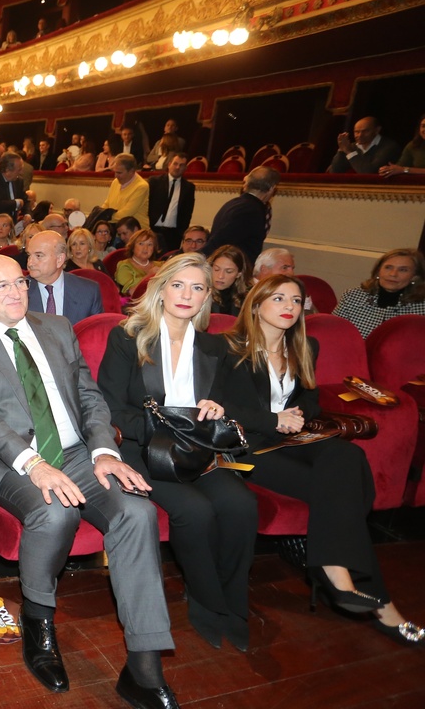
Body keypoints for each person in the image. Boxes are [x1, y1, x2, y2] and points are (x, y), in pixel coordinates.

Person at [0, 255, 176, 707]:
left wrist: (105, 450)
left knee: (137, 513)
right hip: (7, 460)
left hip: (77, 453)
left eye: (19, 282)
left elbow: (90, 395)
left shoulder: (57, 326)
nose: (14, 292)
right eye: (0, 286)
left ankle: (144, 667)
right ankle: (37, 616)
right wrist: (32, 463)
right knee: (54, 509)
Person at [221, 275, 423, 646]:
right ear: (256, 304)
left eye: (296, 301)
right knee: (345, 492)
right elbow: (217, 406)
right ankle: (374, 601)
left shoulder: (305, 347)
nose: (289, 306)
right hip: (245, 448)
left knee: (347, 455)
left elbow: (310, 400)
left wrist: (298, 415)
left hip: (293, 439)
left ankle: (334, 571)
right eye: (278, 298)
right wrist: (272, 419)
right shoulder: (227, 347)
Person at [98, 253, 258, 651]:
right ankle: (207, 603)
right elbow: (111, 408)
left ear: (207, 298)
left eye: (198, 288)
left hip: (197, 451)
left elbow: (223, 403)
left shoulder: (213, 346)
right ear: (161, 288)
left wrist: (217, 409)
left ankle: (234, 605)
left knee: (241, 506)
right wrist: (162, 427)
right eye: (179, 285)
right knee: (195, 511)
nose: (187, 295)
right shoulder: (128, 337)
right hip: (144, 449)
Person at [332, 248, 425, 338]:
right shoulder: (352, 296)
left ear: (414, 277)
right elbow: (333, 332)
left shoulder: (422, 306)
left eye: (403, 270)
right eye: (388, 268)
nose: (393, 274)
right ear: (378, 271)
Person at [203, 166, 280, 265]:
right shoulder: (251, 210)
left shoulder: (233, 203)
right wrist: (196, 258)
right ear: (271, 188)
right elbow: (221, 241)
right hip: (234, 269)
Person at [24, 231, 104, 323]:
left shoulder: (88, 291)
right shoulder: (18, 291)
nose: (30, 263)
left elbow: (95, 333)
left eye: (39, 256)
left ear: (59, 259)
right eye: (29, 255)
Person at [147, 152, 195, 255]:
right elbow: (147, 205)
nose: (177, 167)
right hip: (153, 230)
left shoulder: (189, 187)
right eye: (175, 163)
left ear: (185, 168)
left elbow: (187, 213)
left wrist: (181, 233)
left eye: (181, 165)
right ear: (169, 164)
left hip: (173, 234)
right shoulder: (154, 182)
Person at [327, 116, 399, 174]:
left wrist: (350, 152)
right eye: (356, 132)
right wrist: (341, 149)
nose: (360, 135)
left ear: (377, 130)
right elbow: (335, 171)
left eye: (365, 131)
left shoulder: (389, 146)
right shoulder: (352, 146)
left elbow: (369, 172)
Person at [103, 154, 151, 230]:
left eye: (119, 173)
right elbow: (107, 203)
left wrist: (105, 217)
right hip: (118, 230)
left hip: (137, 233)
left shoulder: (142, 186)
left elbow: (126, 214)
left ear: (131, 171)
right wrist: (100, 213)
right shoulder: (115, 182)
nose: (115, 176)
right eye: (115, 172)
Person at [114, 229, 160, 296]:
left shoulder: (161, 265)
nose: (145, 248)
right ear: (132, 247)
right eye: (141, 244)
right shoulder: (124, 266)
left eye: (150, 244)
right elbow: (132, 293)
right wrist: (149, 275)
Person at [208, 245, 250, 315]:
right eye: (216, 269)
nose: (220, 276)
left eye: (229, 271)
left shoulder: (246, 299)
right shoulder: (201, 294)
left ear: (239, 274)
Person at [380, 113, 425, 177]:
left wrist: (405, 170)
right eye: (423, 126)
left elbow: (402, 169)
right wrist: (388, 169)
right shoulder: (414, 145)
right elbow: (400, 166)